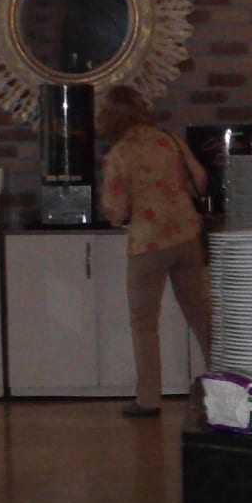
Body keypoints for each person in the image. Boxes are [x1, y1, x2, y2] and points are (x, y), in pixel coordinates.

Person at [96, 86, 212, 417]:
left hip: (148, 243)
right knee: (201, 315)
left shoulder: (119, 154)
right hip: (186, 236)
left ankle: (148, 400)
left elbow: (114, 210)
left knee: (144, 323)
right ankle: (225, 385)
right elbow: (200, 179)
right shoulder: (169, 140)